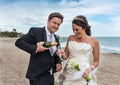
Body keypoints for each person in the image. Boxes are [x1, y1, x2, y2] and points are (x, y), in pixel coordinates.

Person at [15, 12, 64, 85]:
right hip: (37, 75)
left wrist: (58, 62)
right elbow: (19, 42)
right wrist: (36, 48)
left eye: (58, 24)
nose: (56, 26)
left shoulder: (56, 38)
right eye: (54, 23)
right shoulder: (36, 31)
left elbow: (56, 53)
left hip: (50, 75)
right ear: (48, 21)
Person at [56, 15, 100, 85]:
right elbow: (65, 57)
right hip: (69, 72)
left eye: (77, 29)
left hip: (84, 72)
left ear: (84, 28)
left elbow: (96, 61)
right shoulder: (70, 38)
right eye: (73, 29)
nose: (75, 32)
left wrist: (89, 69)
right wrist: (61, 53)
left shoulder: (94, 41)